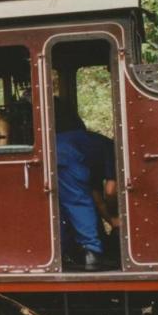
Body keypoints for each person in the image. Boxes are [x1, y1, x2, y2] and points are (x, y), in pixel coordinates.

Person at [54, 102, 117, 272]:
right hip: (67, 153)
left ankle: (68, 250)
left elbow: (97, 197)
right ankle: (93, 253)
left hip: (58, 150)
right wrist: (116, 219)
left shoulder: (94, 148)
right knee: (77, 201)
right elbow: (111, 191)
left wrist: (110, 221)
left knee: (65, 204)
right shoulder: (113, 149)